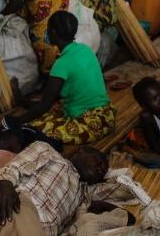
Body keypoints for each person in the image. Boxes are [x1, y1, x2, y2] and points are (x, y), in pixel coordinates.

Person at [11, 11, 114, 145]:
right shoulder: (85, 49)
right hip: (106, 116)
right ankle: (23, 104)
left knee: (31, 129)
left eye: (47, 29)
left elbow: (45, 105)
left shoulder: (62, 64)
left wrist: (16, 121)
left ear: (53, 32)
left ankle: (20, 115)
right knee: (48, 112)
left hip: (89, 124)